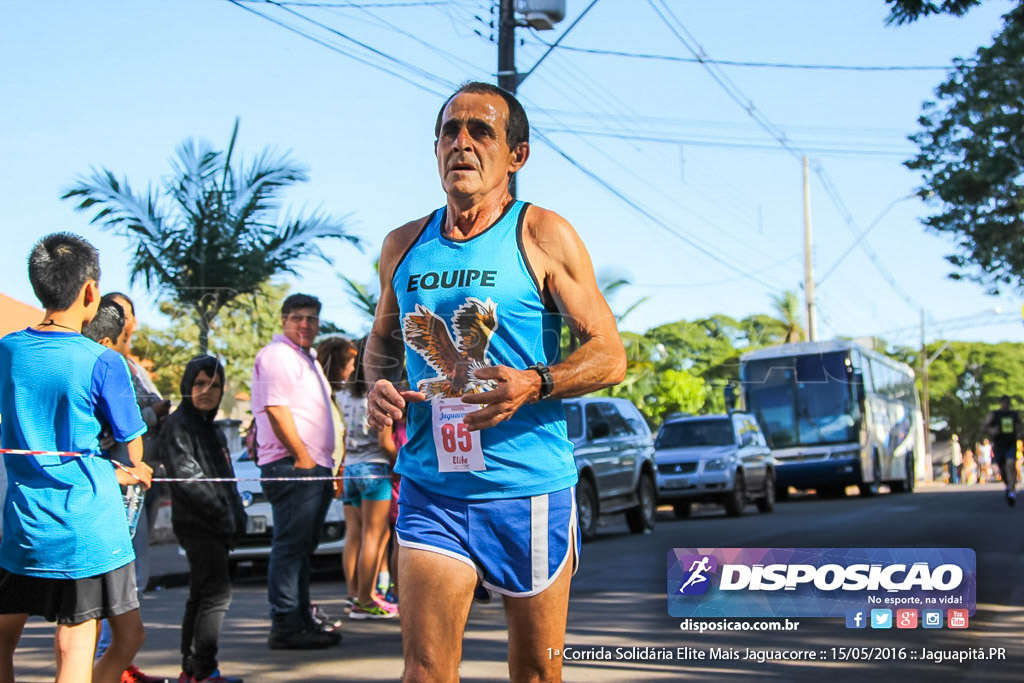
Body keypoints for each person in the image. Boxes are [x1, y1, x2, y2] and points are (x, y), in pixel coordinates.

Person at [365, 82, 626, 681]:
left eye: (482, 131)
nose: (463, 143)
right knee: (425, 671)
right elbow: (379, 343)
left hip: (527, 487)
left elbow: (609, 354)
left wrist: (533, 383)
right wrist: (377, 387)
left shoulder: (542, 233)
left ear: (517, 155)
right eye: (450, 131)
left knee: (535, 672)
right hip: (433, 488)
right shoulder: (403, 245)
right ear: (434, 150)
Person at [0, 233, 153, 683]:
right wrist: (133, 471)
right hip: (86, 529)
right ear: (91, 292)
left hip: (24, 525)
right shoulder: (103, 360)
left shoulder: (7, 350)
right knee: (76, 650)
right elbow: (133, 449)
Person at [84, 296, 169, 683]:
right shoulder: (102, 362)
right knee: (108, 591)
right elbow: (121, 423)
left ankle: (115, 665)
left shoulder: (129, 364)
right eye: (117, 311)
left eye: (127, 311)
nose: (124, 319)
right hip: (115, 483)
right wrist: (152, 415)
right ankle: (105, 664)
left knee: (127, 587)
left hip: (135, 486)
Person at [250, 294, 341, 650]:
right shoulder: (277, 355)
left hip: (314, 465)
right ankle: (286, 624)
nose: (306, 324)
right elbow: (275, 407)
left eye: (312, 319)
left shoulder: (307, 358)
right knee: (290, 547)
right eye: (298, 318)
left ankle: (302, 619)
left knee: (303, 548)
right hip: (292, 465)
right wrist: (302, 456)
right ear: (284, 321)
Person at [160, 356, 247, 683]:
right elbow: (188, 480)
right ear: (187, 386)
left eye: (215, 385)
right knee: (215, 596)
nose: (208, 391)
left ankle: (192, 670)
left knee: (201, 595)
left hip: (216, 525)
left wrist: (234, 515)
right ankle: (205, 670)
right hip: (199, 525)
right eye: (199, 383)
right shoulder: (179, 425)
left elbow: (226, 479)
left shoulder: (211, 429)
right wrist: (223, 515)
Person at [336, 339, 398, 619]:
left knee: (354, 535)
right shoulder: (379, 395)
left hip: (350, 468)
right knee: (376, 534)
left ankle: (353, 596)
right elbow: (385, 445)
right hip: (374, 469)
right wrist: (402, 461)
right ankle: (366, 599)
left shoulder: (344, 395)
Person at [984, 395, 1020, 506]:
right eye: (1003, 402)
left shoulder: (1014, 415)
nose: (1005, 404)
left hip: (1010, 444)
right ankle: (1009, 486)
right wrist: (991, 430)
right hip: (999, 446)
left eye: (1007, 402)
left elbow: (1020, 426)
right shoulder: (995, 415)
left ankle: (1012, 492)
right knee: (1003, 469)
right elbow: (984, 426)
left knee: (1010, 464)